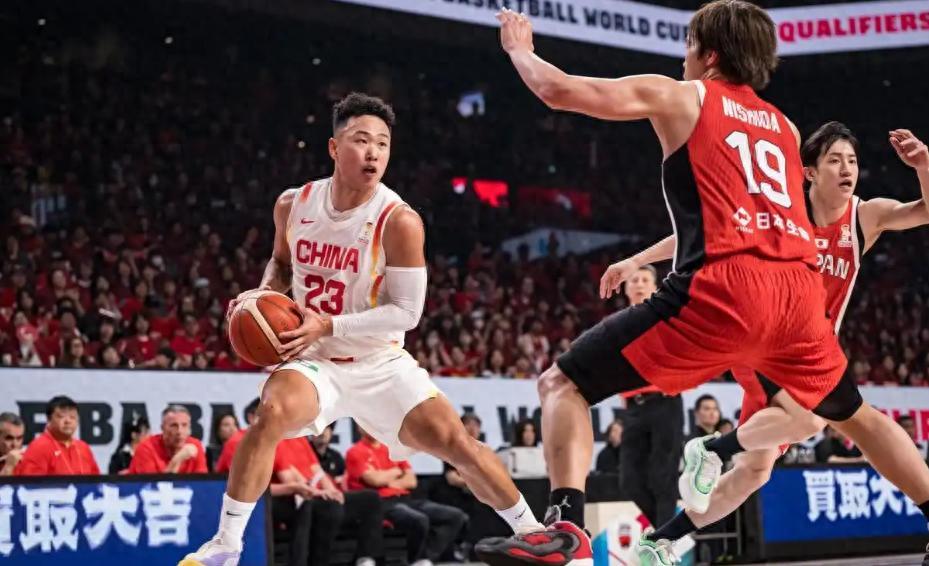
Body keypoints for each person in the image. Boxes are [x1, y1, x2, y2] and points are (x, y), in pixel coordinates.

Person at [479, 4, 921, 564]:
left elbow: (558, 90)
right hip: (801, 300)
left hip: (725, 291)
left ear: (708, 53)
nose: (682, 56)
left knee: (562, 384)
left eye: (688, 44)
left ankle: (564, 526)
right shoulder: (785, 128)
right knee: (855, 417)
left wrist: (520, 50)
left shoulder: (682, 95)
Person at [182, 93, 540, 566]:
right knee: (271, 414)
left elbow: (407, 312)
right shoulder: (293, 204)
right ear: (334, 147)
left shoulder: (399, 221)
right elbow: (281, 264)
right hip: (316, 360)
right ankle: (226, 546)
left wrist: (328, 323)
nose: (373, 153)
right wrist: (261, 296)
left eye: (383, 144)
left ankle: (535, 535)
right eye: (361, 140)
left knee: (457, 443)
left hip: (379, 360)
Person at [636, 122, 929, 564]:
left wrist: (924, 165)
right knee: (818, 421)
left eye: (852, 161)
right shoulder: (780, 212)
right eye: (835, 160)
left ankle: (659, 541)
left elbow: (925, 211)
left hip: (812, 354)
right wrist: (639, 260)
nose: (847, 169)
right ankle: (712, 448)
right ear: (809, 172)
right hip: (765, 341)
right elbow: (706, 233)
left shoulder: (865, 216)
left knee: (755, 470)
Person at [601, 263, 684, 526]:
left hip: (665, 401)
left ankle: (664, 539)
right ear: (625, 288)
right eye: (634, 280)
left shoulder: (668, 315)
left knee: (663, 476)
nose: (638, 284)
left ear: (655, 286)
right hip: (633, 408)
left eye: (644, 280)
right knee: (629, 481)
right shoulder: (616, 325)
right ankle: (666, 531)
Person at [346, 427, 466, 566]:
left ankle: (424, 558)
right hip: (382, 503)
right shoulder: (355, 451)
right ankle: (416, 559)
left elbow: (411, 481)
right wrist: (396, 471)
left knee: (455, 516)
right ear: (359, 428)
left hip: (406, 499)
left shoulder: (392, 450)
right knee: (418, 520)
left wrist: (386, 480)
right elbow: (374, 480)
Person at [272, 435, 382, 566]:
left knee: (370, 498)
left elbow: (318, 472)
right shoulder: (277, 441)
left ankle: (364, 558)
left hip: (319, 494)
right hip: (304, 497)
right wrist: (319, 492)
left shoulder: (301, 439)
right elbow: (292, 481)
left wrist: (333, 492)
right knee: (331, 507)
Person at [15, 396, 100, 476]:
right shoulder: (38, 447)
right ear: (49, 419)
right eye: (61, 416)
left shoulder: (83, 447)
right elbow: (32, 484)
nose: (68, 421)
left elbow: (96, 481)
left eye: (72, 417)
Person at [128, 405, 208, 474]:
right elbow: (155, 486)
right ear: (162, 428)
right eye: (174, 426)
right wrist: (178, 459)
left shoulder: (195, 445)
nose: (179, 431)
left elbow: (201, 483)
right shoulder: (146, 448)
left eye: (184, 425)